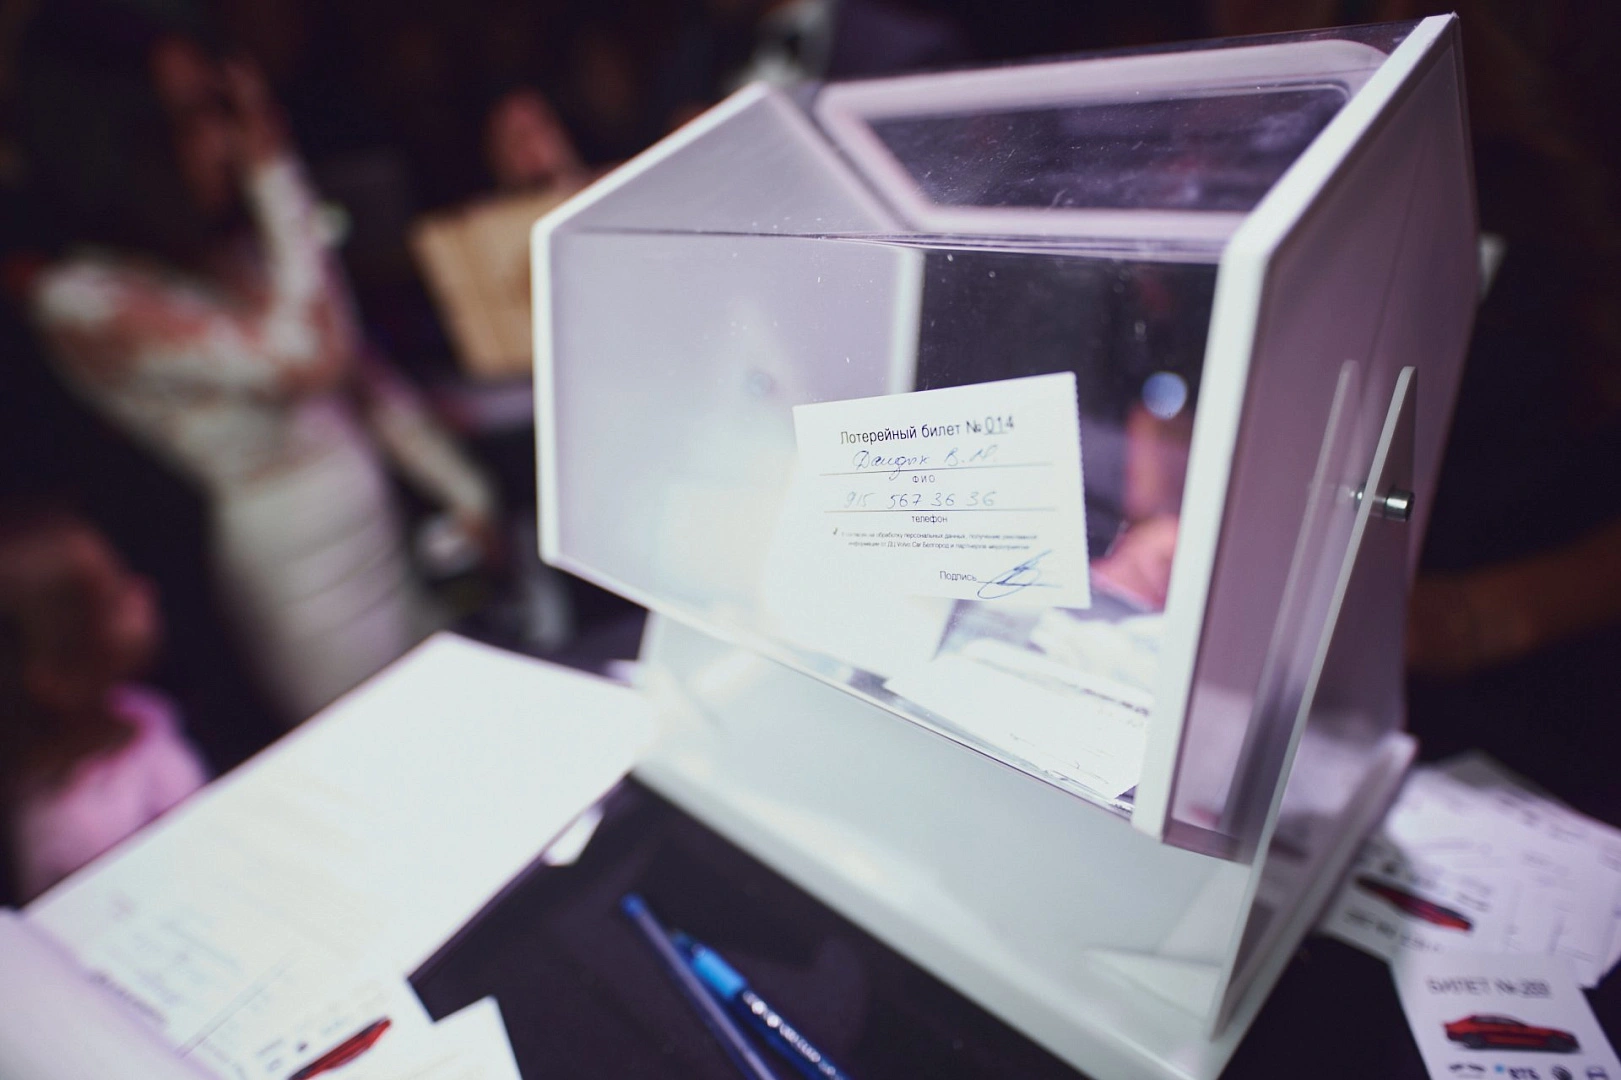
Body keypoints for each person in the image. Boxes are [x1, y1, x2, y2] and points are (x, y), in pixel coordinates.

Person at [21, 32, 496, 724]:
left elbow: (359, 375)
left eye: (224, 114)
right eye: (192, 118)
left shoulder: (227, 247)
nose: (227, 142)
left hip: (388, 537)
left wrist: (465, 492)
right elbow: (310, 356)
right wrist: (275, 169)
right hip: (305, 584)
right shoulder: (82, 298)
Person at [0, 512, 209, 903]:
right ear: (59, 675)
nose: (143, 591)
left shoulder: (133, 706)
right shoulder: (85, 831)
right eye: (115, 602)